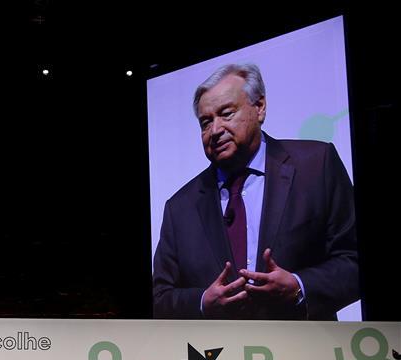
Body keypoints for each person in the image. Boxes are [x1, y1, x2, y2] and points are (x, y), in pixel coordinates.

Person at [152, 63, 358, 319]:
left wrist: (299, 286)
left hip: (305, 341)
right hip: (219, 344)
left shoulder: (316, 165)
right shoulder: (180, 207)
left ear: (260, 107)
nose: (215, 130)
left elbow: (354, 260)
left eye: (226, 114)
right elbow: (159, 298)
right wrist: (203, 302)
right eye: (206, 122)